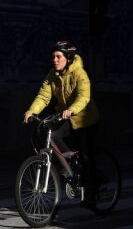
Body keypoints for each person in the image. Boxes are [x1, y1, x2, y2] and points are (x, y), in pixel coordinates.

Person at [23, 40, 100, 207]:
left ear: (68, 58)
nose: (55, 60)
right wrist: (32, 111)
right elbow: (44, 96)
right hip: (65, 116)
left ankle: (91, 194)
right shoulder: (53, 74)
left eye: (58, 56)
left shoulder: (80, 74)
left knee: (86, 156)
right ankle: (70, 166)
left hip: (85, 118)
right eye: (53, 57)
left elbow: (84, 97)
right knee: (54, 136)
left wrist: (72, 109)